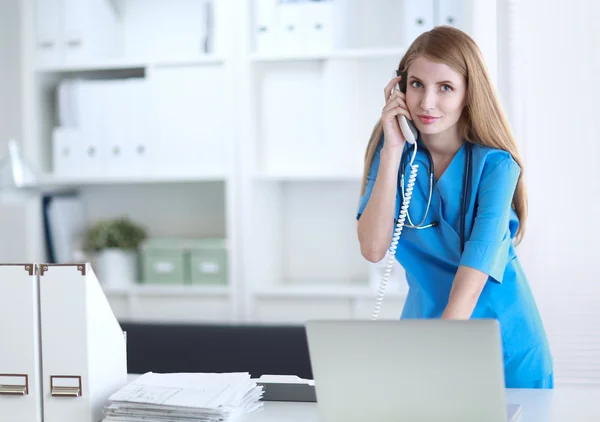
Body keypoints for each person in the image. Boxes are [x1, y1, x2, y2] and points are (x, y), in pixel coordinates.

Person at [356, 25, 554, 389]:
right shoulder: (392, 157)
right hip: (427, 334)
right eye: (416, 84)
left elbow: (470, 281)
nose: (427, 102)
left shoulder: (496, 167)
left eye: (445, 87)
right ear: (398, 88)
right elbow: (372, 248)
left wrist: (438, 360)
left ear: (468, 94)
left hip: (500, 348)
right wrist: (393, 150)